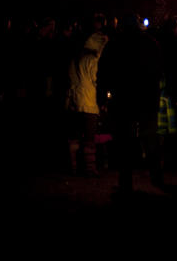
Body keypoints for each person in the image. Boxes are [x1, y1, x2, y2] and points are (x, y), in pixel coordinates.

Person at [98, 14, 164, 195]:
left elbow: (103, 73)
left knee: (124, 142)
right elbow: (159, 71)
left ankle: (125, 181)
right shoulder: (150, 43)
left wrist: (101, 98)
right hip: (146, 99)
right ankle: (156, 176)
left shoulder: (114, 44)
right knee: (150, 138)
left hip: (124, 99)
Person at [65, 30, 108, 176]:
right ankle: (90, 168)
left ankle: (73, 165)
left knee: (74, 138)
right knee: (89, 138)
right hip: (89, 102)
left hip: (74, 101)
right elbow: (96, 80)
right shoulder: (92, 59)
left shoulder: (74, 58)